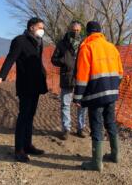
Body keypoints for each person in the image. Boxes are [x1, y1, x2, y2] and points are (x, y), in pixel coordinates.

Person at [0, 17, 48, 163]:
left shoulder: (39, 42)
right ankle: (19, 150)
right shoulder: (20, 41)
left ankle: (28, 145)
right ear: (31, 27)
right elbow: (10, 59)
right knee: (23, 116)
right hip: (25, 84)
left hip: (37, 84)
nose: (42, 30)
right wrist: (1, 77)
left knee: (30, 115)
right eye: (40, 27)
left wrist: (43, 74)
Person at [73, 21, 123, 172]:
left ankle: (96, 163)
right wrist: (112, 88)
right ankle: (115, 155)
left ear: (88, 33)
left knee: (96, 125)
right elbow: (120, 73)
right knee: (111, 123)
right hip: (112, 94)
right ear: (101, 32)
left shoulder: (86, 47)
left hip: (95, 95)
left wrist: (77, 97)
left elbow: (82, 76)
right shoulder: (112, 47)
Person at [51, 21, 87, 140]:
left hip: (82, 78)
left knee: (82, 104)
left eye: (78, 30)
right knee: (65, 104)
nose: (75, 32)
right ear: (69, 29)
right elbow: (54, 59)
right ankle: (66, 129)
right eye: (73, 29)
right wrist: (64, 61)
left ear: (80, 30)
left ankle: (80, 128)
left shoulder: (84, 43)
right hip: (67, 77)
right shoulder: (62, 43)